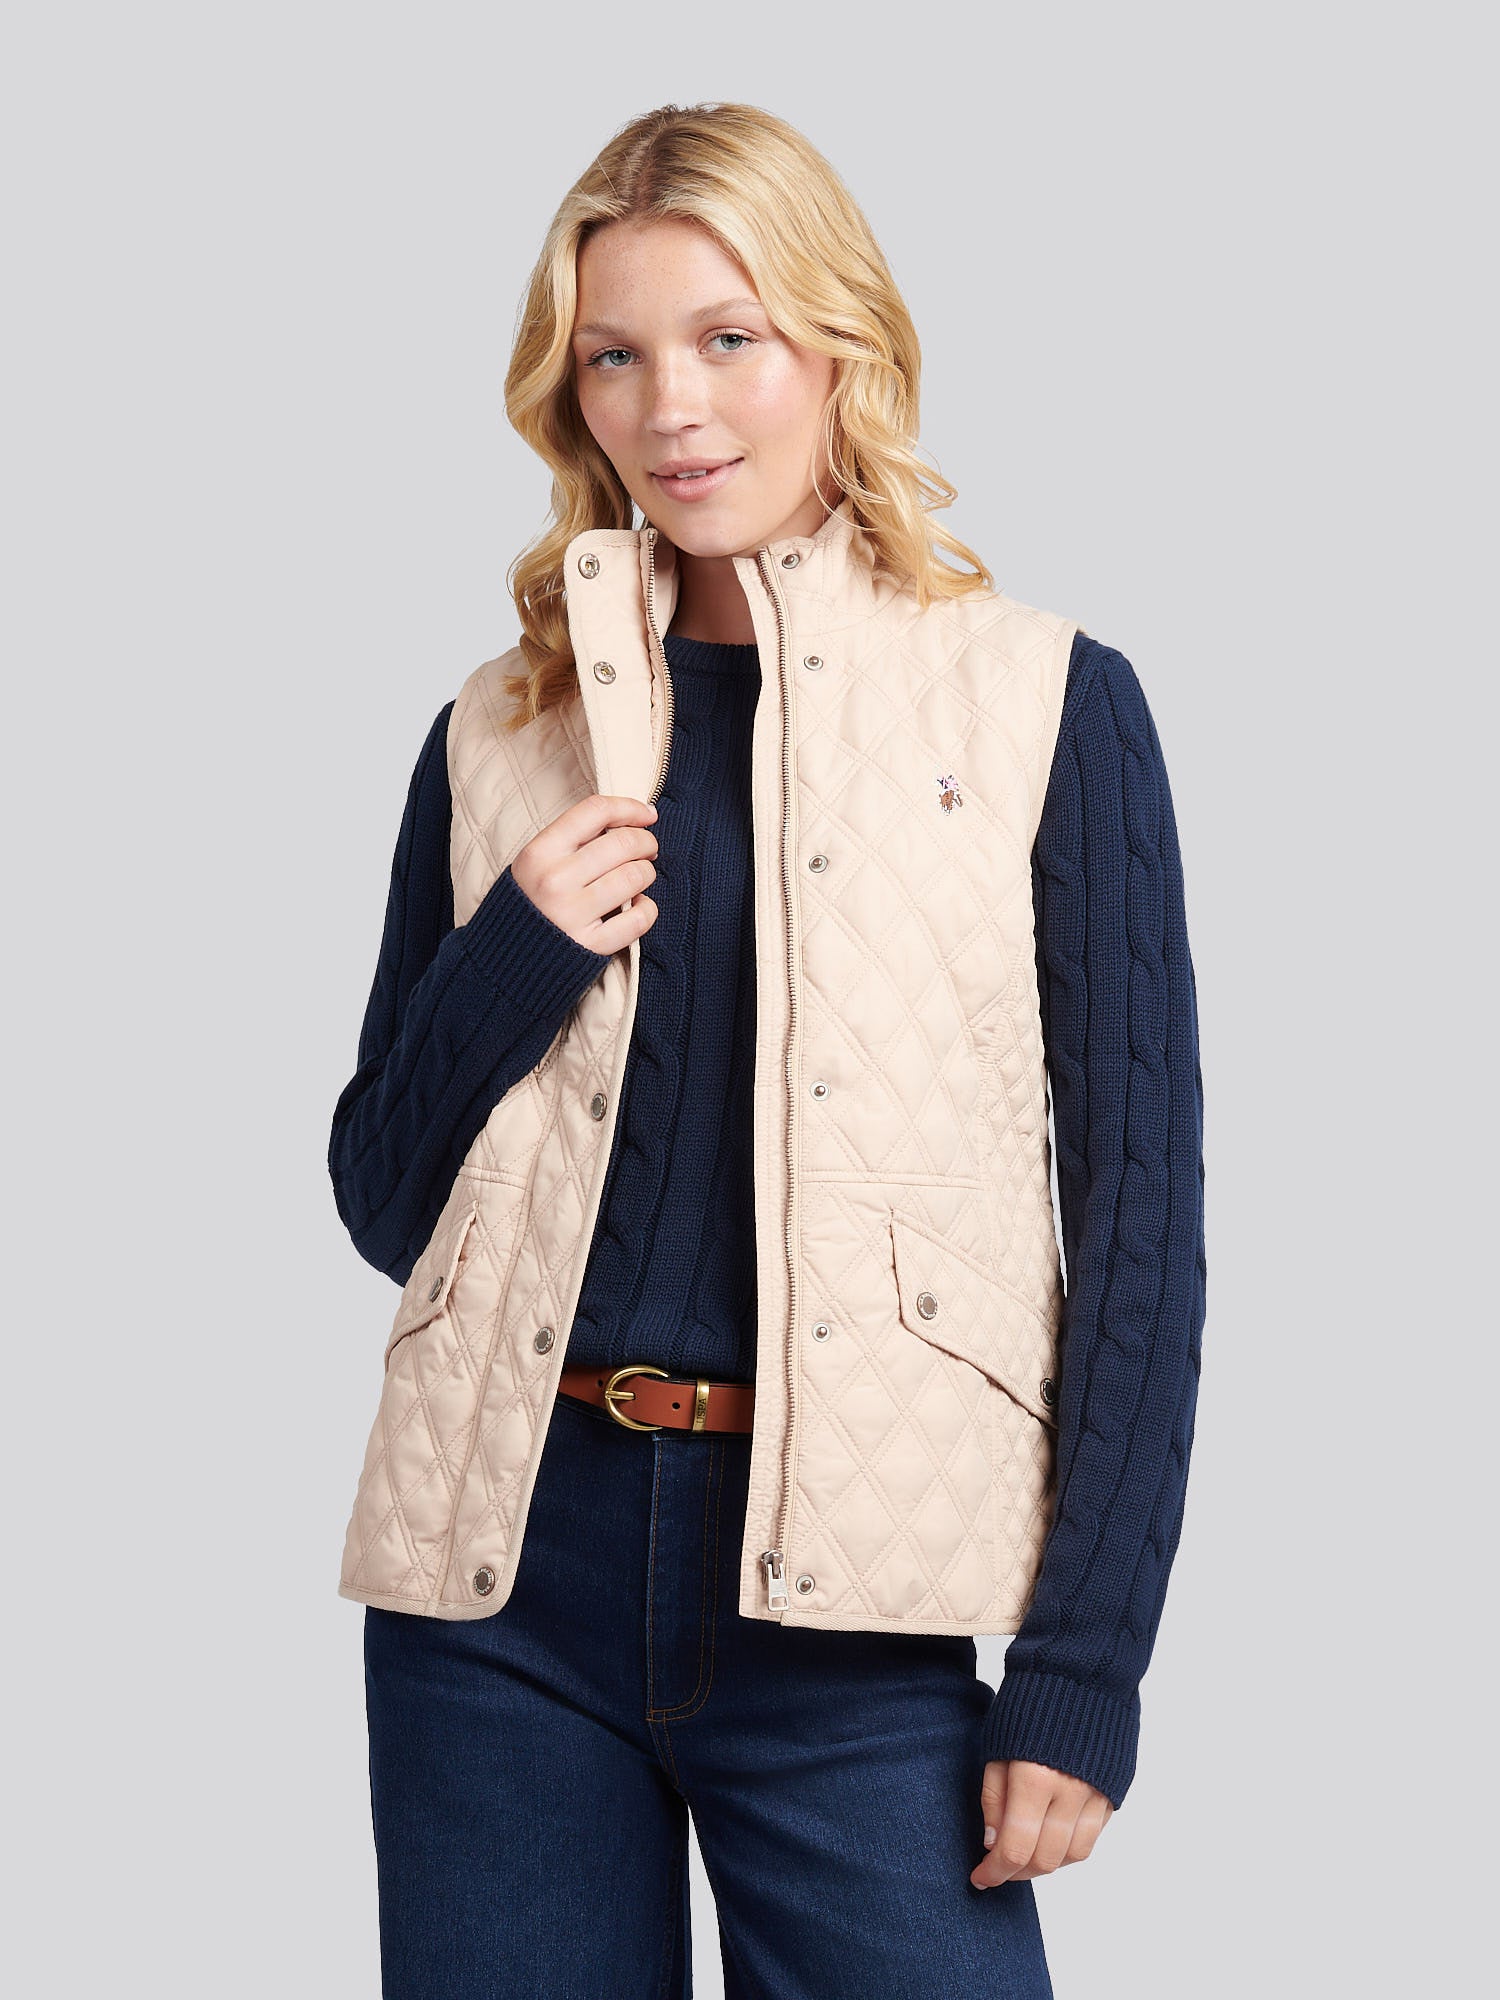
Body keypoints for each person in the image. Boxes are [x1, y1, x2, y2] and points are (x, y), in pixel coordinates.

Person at [328, 101, 1206, 2000]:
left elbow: (1141, 1226)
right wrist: (516, 951)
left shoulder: (1043, 704)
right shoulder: (499, 731)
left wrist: (1084, 1667)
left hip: (858, 1621)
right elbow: (382, 1201)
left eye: (729, 338)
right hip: (502, 1590)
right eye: (616, 356)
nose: (673, 409)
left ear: (838, 345)